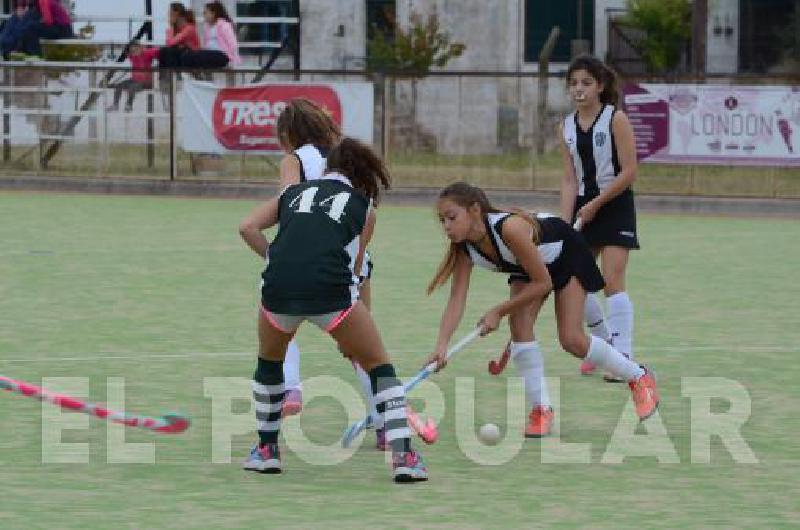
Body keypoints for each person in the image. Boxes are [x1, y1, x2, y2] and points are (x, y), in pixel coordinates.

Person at [238, 137, 428, 482]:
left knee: (269, 362)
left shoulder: (291, 194)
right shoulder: (364, 209)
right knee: (379, 365)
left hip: (278, 288)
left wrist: (276, 259)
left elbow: (247, 226)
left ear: (327, 168)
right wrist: (348, 334)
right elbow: (354, 270)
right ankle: (404, 457)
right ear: (362, 175)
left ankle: (265, 450)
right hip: (331, 294)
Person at [426, 182, 659, 432]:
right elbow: (456, 299)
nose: (447, 227)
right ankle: (541, 409)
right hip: (528, 268)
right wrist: (442, 345)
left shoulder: (510, 229)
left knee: (572, 340)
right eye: (442, 221)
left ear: (474, 210)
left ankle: (638, 376)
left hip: (566, 255)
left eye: (451, 217)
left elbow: (543, 283)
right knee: (519, 327)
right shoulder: (465, 248)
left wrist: (499, 311)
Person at [271, 98, 391, 450]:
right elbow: (366, 214)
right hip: (355, 258)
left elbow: (286, 205)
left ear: (287, 134)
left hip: (308, 260)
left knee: (281, 321)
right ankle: (385, 423)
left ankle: (291, 386)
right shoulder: (347, 157)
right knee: (361, 349)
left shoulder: (294, 160)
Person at [558, 55, 640, 382]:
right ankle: (604, 343)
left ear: (600, 86)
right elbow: (568, 179)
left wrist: (598, 202)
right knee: (577, 281)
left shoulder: (615, 119)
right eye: (574, 83)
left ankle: (624, 357)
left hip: (615, 203)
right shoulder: (564, 126)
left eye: (586, 83)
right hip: (582, 208)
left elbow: (630, 170)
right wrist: (563, 227)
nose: (579, 89)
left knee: (612, 280)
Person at [179, 1, 241, 68]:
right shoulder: (207, 27)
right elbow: (206, 43)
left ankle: (203, 75)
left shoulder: (224, 25)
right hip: (209, 53)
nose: (204, 15)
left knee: (201, 55)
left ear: (213, 14)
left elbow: (233, 44)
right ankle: (200, 77)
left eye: (205, 13)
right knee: (188, 56)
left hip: (222, 54)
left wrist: (233, 60)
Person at [107, 40, 159, 112]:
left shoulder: (147, 53)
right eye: (132, 50)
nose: (134, 52)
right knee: (119, 86)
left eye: (136, 49)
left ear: (141, 48)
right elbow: (125, 51)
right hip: (134, 80)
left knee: (132, 87)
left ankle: (129, 105)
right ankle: (115, 105)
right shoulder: (132, 56)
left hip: (146, 82)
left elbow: (157, 51)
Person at [158, 2, 200, 68]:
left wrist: (171, 27)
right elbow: (169, 43)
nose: (168, 15)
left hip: (192, 55)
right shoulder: (177, 28)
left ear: (177, 15)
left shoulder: (189, 28)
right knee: (163, 51)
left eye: (171, 14)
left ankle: (171, 75)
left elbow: (170, 43)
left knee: (170, 51)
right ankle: (164, 76)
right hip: (181, 54)